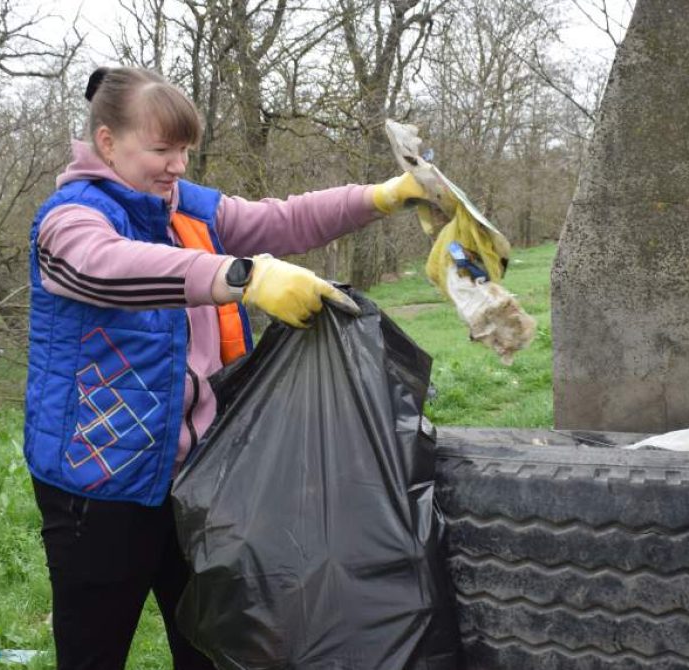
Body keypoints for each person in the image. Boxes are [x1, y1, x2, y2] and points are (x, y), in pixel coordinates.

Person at [24, 66, 428, 669]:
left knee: (214, 647)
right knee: (92, 652)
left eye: (184, 150)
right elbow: (106, 266)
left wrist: (384, 195)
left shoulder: (184, 207)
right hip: (100, 485)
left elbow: (281, 220)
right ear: (107, 143)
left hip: (196, 481)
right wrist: (241, 276)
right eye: (162, 149)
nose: (178, 166)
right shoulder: (70, 219)